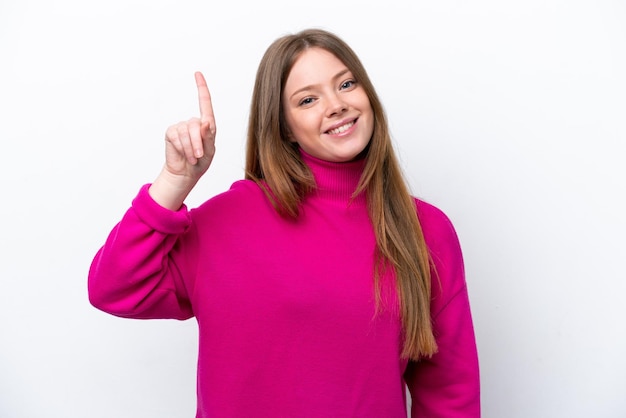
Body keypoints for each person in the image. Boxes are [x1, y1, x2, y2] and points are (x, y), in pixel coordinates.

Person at [88, 28, 480, 417]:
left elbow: (450, 394)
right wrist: (175, 182)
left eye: (346, 84)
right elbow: (113, 289)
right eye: (308, 99)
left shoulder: (425, 229)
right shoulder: (225, 221)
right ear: (284, 127)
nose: (336, 104)